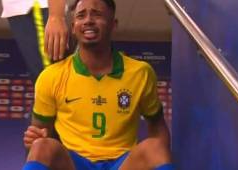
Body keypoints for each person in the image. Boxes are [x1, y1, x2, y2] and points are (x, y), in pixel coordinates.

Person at [22, 0, 175, 169]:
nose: (88, 20)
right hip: (74, 164)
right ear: (73, 27)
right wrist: (35, 138)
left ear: (113, 25)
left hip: (122, 164)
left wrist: (161, 158)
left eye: (97, 14)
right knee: (42, 146)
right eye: (81, 15)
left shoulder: (140, 73)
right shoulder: (51, 76)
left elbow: (157, 124)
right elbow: (37, 134)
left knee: (155, 147)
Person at [1, 0, 75, 83]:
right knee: (45, 79)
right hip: (23, 10)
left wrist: (56, 17)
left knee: (49, 79)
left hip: (37, 8)